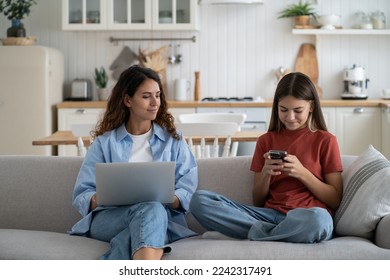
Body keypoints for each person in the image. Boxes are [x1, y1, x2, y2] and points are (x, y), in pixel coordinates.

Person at [190, 72, 343, 243]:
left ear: (312, 107)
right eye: (283, 110)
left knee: (320, 221)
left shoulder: (326, 140)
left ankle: (247, 233)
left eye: (298, 110)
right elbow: (258, 200)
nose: (290, 117)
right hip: (267, 216)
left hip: (306, 217)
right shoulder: (266, 140)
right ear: (276, 106)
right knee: (198, 200)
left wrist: (302, 173)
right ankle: (273, 234)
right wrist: (265, 173)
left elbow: (335, 199)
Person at [69, 65, 198, 260]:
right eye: (146, 96)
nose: (155, 102)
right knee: (152, 213)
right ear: (128, 100)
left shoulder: (173, 140)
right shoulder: (105, 143)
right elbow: (82, 193)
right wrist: (101, 197)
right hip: (111, 219)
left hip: (159, 216)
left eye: (158, 95)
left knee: (150, 213)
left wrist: (170, 197)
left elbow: (187, 187)